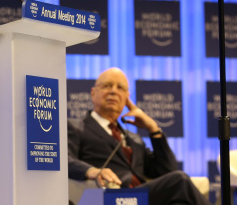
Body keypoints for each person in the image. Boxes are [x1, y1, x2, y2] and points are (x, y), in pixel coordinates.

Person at [68, 67, 211, 205]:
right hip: (111, 196)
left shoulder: (133, 138)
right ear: (93, 93)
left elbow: (167, 172)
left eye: (120, 88)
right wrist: (92, 171)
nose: (113, 91)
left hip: (141, 198)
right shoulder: (76, 127)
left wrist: (153, 129)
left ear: (126, 98)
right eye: (107, 85)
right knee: (180, 180)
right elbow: (65, 161)